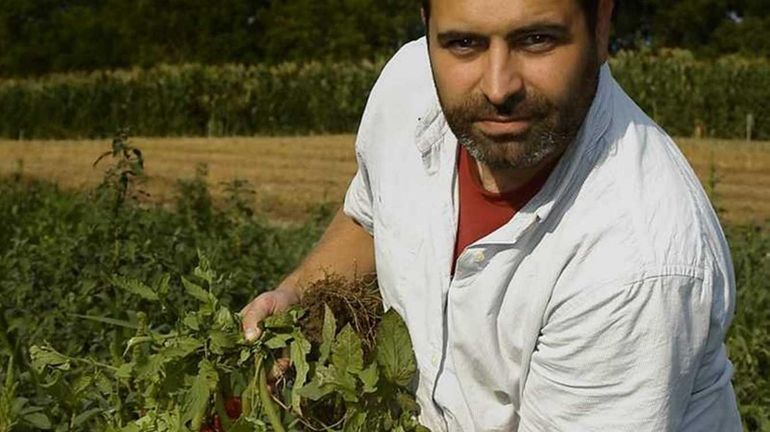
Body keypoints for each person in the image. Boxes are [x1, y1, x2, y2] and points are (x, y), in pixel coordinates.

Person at [241, 0, 743, 430]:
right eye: (463, 43)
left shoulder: (634, 259)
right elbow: (373, 214)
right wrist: (296, 292)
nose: (499, 87)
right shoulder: (408, 85)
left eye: (537, 39)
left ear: (602, 25)